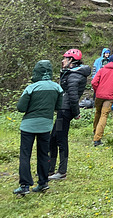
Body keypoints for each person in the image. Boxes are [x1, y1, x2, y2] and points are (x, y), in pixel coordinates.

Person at [14, 60, 63, 196]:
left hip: (28, 126)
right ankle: (43, 182)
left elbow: (20, 108)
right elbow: (58, 106)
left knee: (25, 155)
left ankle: (24, 185)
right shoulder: (57, 88)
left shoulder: (31, 88)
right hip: (45, 125)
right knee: (43, 154)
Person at [48, 49, 91, 181]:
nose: (63, 61)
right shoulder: (71, 73)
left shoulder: (74, 76)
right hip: (63, 109)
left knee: (61, 139)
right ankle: (50, 169)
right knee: (53, 139)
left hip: (65, 111)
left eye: (65, 58)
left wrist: (77, 113)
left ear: (71, 60)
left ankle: (61, 171)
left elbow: (73, 97)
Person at [90, 54, 113, 147]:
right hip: (109, 97)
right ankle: (97, 139)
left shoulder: (102, 69)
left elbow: (93, 82)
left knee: (97, 112)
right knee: (103, 115)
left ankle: (95, 131)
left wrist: (97, 91)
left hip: (99, 96)